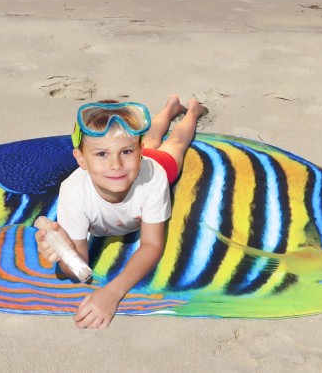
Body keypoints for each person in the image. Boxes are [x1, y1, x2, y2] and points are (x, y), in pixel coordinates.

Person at [36, 94, 207, 329]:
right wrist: (65, 253)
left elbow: (152, 245)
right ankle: (169, 107)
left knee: (174, 144)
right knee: (152, 137)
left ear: (139, 152)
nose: (115, 165)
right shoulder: (73, 192)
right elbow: (78, 266)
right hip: (138, 161)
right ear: (81, 159)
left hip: (155, 162)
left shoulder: (153, 177)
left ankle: (191, 111)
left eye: (126, 152)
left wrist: (113, 292)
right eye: (101, 154)